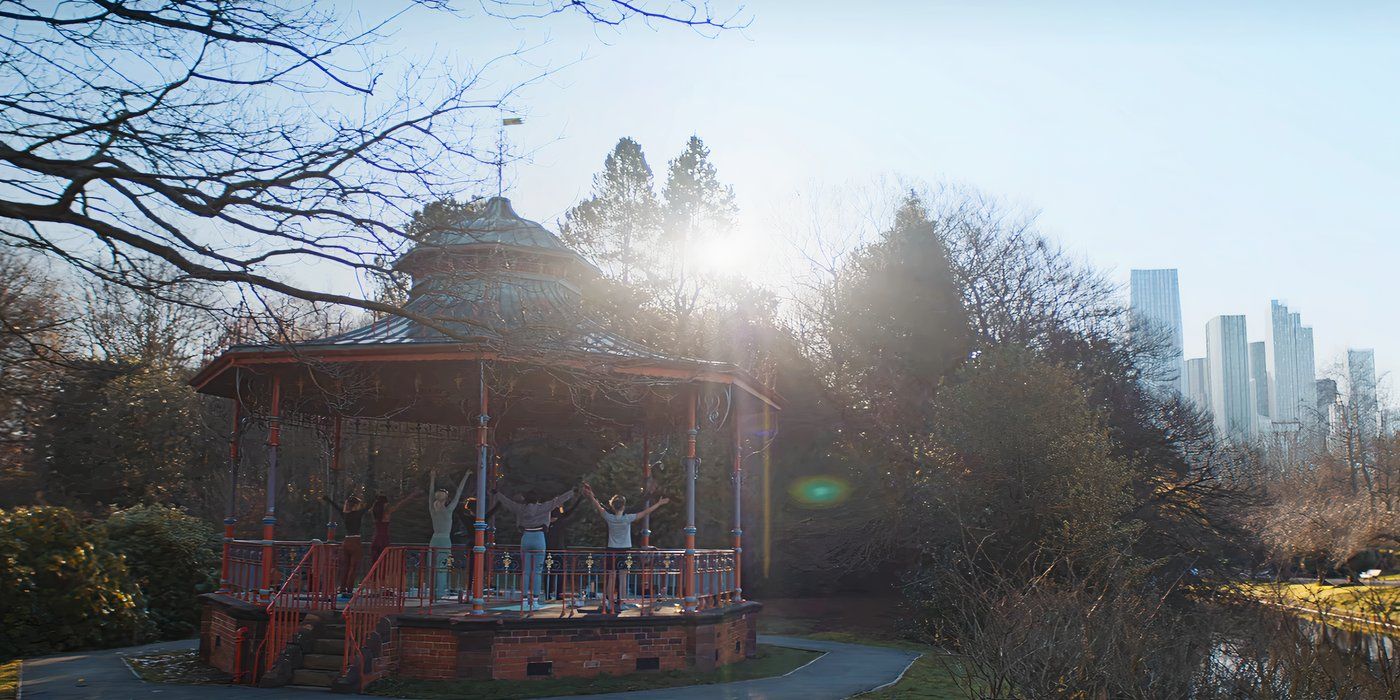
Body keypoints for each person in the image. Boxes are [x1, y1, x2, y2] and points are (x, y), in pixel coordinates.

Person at [581, 482, 668, 614]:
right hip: (624, 550)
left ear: (612, 505)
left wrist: (591, 496)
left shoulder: (608, 517)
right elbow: (645, 512)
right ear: (623, 505)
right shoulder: (628, 518)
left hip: (611, 549)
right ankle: (621, 603)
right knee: (623, 577)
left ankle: (610, 603)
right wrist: (659, 504)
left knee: (611, 576)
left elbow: (597, 505)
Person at [494, 486, 577, 610]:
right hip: (539, 537)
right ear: (537, 499)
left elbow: (508, 503)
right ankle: (536, 600)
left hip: (526, 537)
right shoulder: (543, 507)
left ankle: (524, 600)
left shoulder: (520, 508)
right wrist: (572, 492)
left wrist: (497, 493)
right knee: (537, 571)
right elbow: (558, 500)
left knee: (526, 571)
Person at [428, 469, 471, 597]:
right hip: (445, 540)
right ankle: (440, 592)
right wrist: (466, 476)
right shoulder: (448, 510)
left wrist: (432, 477)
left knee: (432, 567)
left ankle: (432, 591)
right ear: (446, 499)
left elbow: (430, 494)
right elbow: (458, 493)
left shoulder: (432, 509)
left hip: (434, 539)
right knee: (442, 567)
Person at [322, 492, 370, 595]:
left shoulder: (345, 514)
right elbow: (368, 506)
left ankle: (342, 588)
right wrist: (376, 498)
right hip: (355, 541)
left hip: (346, 542)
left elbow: (335, 506)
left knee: (344, 567)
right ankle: (349, 590)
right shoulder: (358, 514)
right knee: (353, 567)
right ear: (356, 505)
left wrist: (328, 499)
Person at [369, 490, 420, 565]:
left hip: (375, 538)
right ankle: (382, 576)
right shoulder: (386, 513)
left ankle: (375, 576)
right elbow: (400, 505)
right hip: (383, 539)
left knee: (375, 562)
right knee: (384, 562)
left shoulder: (375, 513)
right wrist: (411, 496)